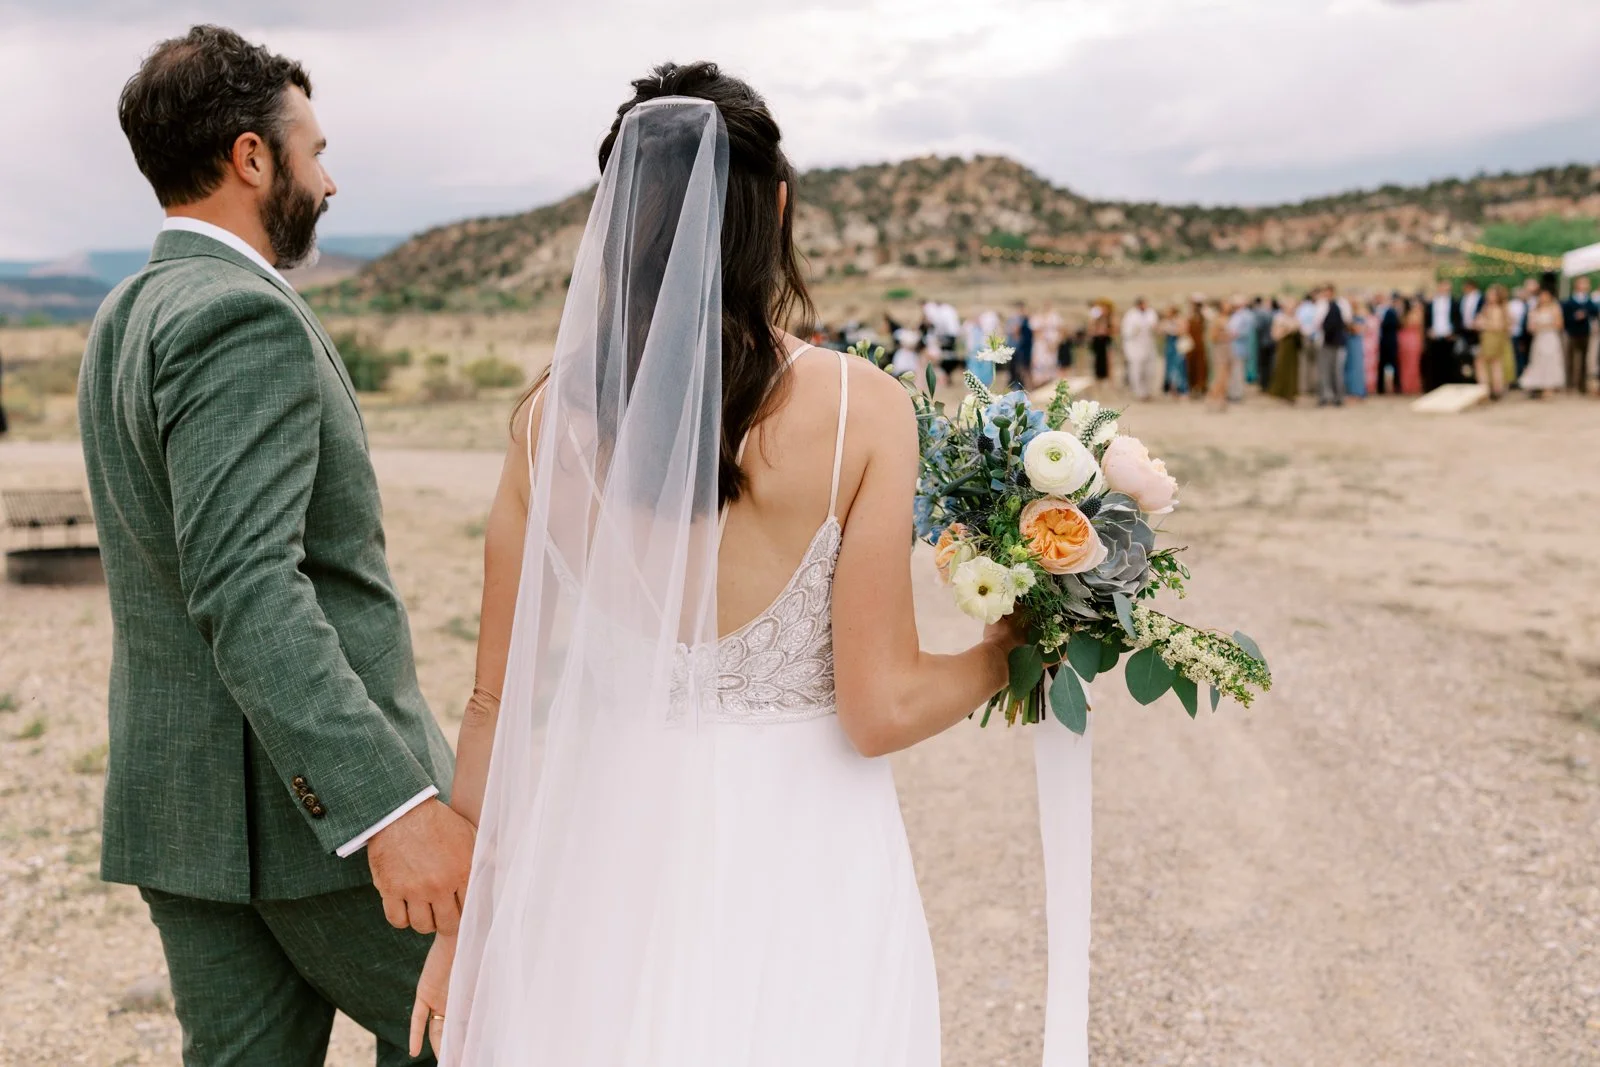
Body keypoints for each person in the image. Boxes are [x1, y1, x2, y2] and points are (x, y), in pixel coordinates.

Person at [418, 63, 1088, 1067]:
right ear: (776, 208)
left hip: (604, 857)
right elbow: (881, 707)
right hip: (806, 862)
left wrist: (458, 933)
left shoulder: (547, 422)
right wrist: (1012, 647)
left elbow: (488, 705)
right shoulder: (863, 407)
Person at [78, 27, 467, 1066]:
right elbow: (247, 589)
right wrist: (390, 806)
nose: (328, 180)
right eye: (315, 150)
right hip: (319, 837)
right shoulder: (238, 315)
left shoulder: (125, 312)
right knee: (491, 1024)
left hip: (187, 819)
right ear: (252, 157)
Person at [1521, 287, 1566, 398]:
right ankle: (1539, 384)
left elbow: (1559, 325)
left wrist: (1543, 326)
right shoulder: (1535, 309)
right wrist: (1535, 328)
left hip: (1550, 337)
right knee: (1538, 360)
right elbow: (1530, 327)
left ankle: (1549, 386)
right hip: (1539, 339)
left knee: (1551, 360)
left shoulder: (1555, 308)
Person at [1475, 284, 1514, 399]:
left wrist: (1483, 324)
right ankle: (1494, 389)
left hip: (1493, 338)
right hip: (1489, 337)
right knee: (1493, 363)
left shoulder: (1497, 308)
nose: (1488, 296)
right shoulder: (1489, 307)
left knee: (1484, 362)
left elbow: (1499, 326)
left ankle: (1486, 389)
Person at [1422, 279, 1461, 392]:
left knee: (1448, 363)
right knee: (1434, 363)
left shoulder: (1454, 302)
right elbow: (1426, 320)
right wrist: (1428, 331)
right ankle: (1433, 387)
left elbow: (1458, 319)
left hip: (1448, 337)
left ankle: (1448, 387)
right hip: (1434, 337)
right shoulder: (1431, 302)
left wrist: (1453, 332)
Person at [1120, 296, 1159, 400]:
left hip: (1148, 345)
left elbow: (1154, 326)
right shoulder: (1130, 315)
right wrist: (1134, 331)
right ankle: (1139, 392)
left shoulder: (1151, 312)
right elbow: (1126, 332)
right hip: (1135, 347)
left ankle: (1148, 391)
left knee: (1150, 370)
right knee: (1136, 370)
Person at [1562, 274, 1593, 394]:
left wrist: (1585, 313)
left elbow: (1594, 312)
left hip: (1585, 332)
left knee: (1584, 360)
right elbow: (1565, 317)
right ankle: (1570, 384)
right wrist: (1575, 317)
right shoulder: (1569, 301)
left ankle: (1582, 385)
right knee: (1570, 359)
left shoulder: (1589, 301)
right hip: (1572, 332)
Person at [1267, 301, 1301, 402]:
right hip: (1284, 346)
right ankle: (1281, 391)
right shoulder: (1280, 318)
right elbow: (1275, 335)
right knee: (1282, 368)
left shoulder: (1295, 318)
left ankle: (1291, 392)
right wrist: (1287, 330)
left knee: (1292, 370)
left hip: (1293, 348)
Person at [1226, 296, 1255, 402]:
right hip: (1232, 347)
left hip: (1240, 347)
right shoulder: (1235, 315)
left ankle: (1237, 394)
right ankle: (1232, 392)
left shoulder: (1247, 316)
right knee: (1233, 372)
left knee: (1238, 372)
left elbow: (1246, 332)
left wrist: (1234, 335)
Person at [1399, 296, 1425, 395]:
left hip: (1404, 339)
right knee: (1413, 364)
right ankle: (1412, 386)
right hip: (1413, 340)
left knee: (1408, 365)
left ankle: (1407, 386)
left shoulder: (1404, 315)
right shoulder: (1417, 314)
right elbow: (1420, 328)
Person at [1376, 292, 1401, 394]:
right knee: (1381, 365)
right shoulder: (1377, 310)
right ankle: (1380, 388)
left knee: (1393, 364)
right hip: (1381, 342)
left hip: (1389, 342)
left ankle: (1396, 386)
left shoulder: (1391, 312)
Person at [1033, 302, 1064, 385]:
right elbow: (1036, 332)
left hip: (1053, 344)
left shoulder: (1055, 317)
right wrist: (1046, 343)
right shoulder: (1037, 317)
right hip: (1041, 345)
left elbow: (1061, 330)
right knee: (1041, 363)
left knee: (1052, 364)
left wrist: (1056, 343)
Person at [1160, 305, 1186, 396]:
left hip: (1177, 346)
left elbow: (1182, 331)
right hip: (1169, 346)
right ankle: (1171, 389)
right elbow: (1160, 331)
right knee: (1169, 368)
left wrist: (1172, 330)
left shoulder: (1179, 320)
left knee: (1178, 367)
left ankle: (1181, 389)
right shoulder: (1166, 322)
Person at [1184, 295, 1208, 395]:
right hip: (1191, 345)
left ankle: (1201, 386)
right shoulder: (1189, 316)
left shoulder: (1204, 315)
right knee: (1191, 366)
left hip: (1200, 345)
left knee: (1201, 367)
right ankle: (1192, 387)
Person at [1345, 298, 1369, 399]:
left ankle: (1357, 391)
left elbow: (1360, 329)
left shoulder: (1359, 317)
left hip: (1356, 343)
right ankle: (1350, 391)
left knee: (1357, 368)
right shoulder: (1348, 317)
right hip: (1349, 343)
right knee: (1349, 368)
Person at [1254, 297, 1277, 389]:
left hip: (1264, 342)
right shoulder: (1274, 314)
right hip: (1271, 342)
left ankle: (1264, 383)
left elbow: (1258, 328)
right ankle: (1267, 382)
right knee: (1269, 364)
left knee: (1264, 364)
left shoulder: (1262, 314)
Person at [1088, 299, 1112, 381]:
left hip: (1105, 340)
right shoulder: (1097, 318)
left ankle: (1107, 377)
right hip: (1098, 341)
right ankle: (1098, 378)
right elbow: (1092, 329)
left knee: (1107, 360)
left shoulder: (1108, 319)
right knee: (1097, 361)